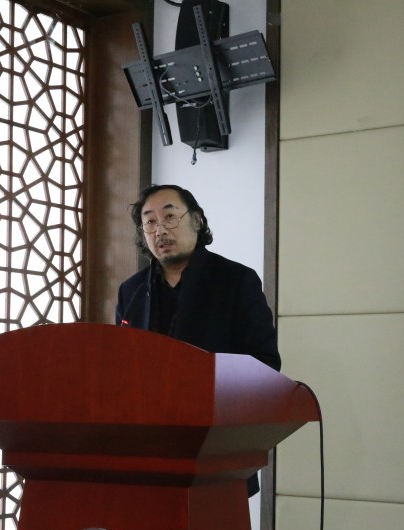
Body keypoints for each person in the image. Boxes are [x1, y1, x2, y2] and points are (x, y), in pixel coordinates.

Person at [115, 184, 281, 496]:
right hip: (148, 452)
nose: (160, 229)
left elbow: (264, 364)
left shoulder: (236, 281)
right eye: (150, 222)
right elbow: (122, 372)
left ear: (197, 220)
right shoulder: (132, 291)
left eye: (170, 216)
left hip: (216, 447)